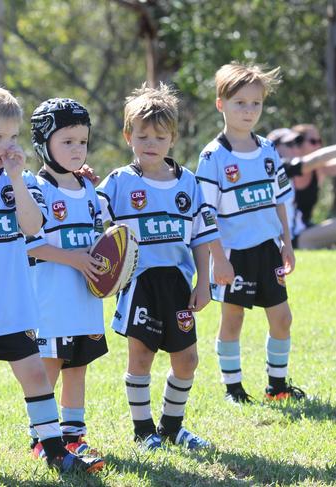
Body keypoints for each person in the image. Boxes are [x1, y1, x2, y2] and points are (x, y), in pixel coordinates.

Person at [0, 84, 104, 477]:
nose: (6, 145)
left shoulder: (22, 181)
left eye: (12, 136)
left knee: (33, 374)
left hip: (14, 304)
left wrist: (14, 180)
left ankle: (55, 450)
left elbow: (33, 226)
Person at [97, 83, 230, 450]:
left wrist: (204, 282)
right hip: (139, 282)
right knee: (141, 357)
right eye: (142, 136)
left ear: (172, 138)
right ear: (128, 137)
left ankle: (172, 428)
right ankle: (143, 432)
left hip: (177, 282)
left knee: (187, 359)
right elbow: (93, 223)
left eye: (159, 136)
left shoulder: (187, 182)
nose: (150, 143)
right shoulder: (119, 183)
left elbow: (201, 236)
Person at [196, 62, 305, 404]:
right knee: (233, 318)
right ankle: (233, 388)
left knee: (283, 318)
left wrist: (286, 243)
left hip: (268, 250)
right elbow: (206, 213)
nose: (248, 110)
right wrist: (218, 260)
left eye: (255, 103)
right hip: (233, 254)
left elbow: (280, 200)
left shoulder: (269, 150)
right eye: (239, 102)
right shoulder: (213, 156)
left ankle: (277, 385)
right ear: (221, 104)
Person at [25, 98, 106, 458]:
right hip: (52, 301)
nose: (77, 150)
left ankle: (74, 435)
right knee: (49, 368)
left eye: (82, 142)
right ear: (43, 144)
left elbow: (104, 239)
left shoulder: (89, 189)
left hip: (85, 298)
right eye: (67, 142)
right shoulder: (35, 188)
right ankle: (41, 437)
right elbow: (31, 246)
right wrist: (73, 259)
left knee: (78, 367)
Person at [270, 126, 336, 249]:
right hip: (292, 240)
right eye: (290, 144)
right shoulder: (277, 167)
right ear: (275, 147)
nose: (296, 148)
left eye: (297, 143)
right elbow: (314, 160)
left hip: (300, 233)